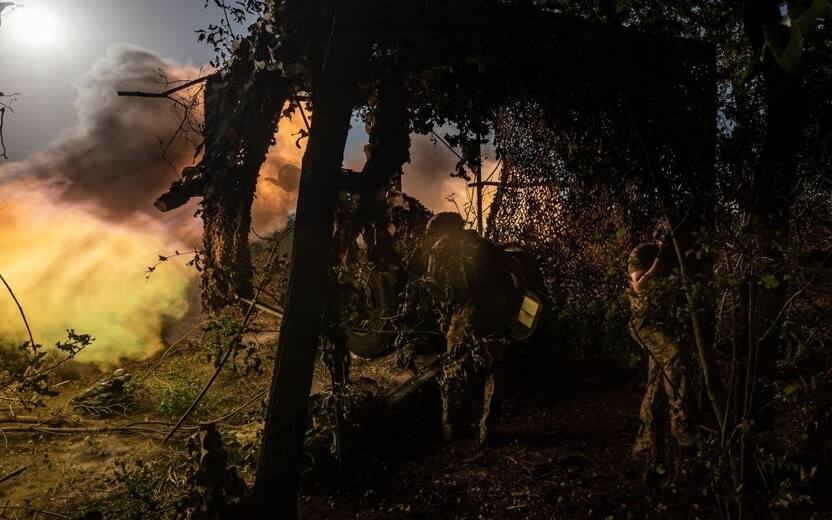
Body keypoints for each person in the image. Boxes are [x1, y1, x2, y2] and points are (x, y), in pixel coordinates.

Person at [421, 212, 517, 446]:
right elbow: (514, 268)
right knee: (493, 368)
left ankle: (450, 426)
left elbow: (434, 287)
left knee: (452, 367)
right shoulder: (480, 243)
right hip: (492, 311)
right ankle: (487, 430)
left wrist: (444, 316)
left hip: (463, 314)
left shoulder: (439, 251)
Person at [628, 232, 697, 468]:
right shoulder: (644, 253)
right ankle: (682, 425)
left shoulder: (683, 255)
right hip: (645, 324)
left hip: (666, 324)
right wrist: (660, 260)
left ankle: (645, 448)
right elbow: (639, 286)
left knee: (656, 385)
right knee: (675, 357)